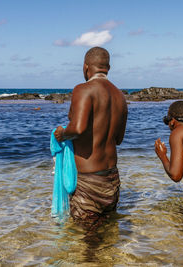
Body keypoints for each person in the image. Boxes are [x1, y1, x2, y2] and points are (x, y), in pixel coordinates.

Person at [54, 47, 128, 228]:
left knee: (88, 242)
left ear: (86, 67)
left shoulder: (83, 89)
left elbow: (78, 128)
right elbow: (118, 139)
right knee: (107, 232)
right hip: (112, 179)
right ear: (108, 68)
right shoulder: (120, 96)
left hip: (89, 182)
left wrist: (61, 135)